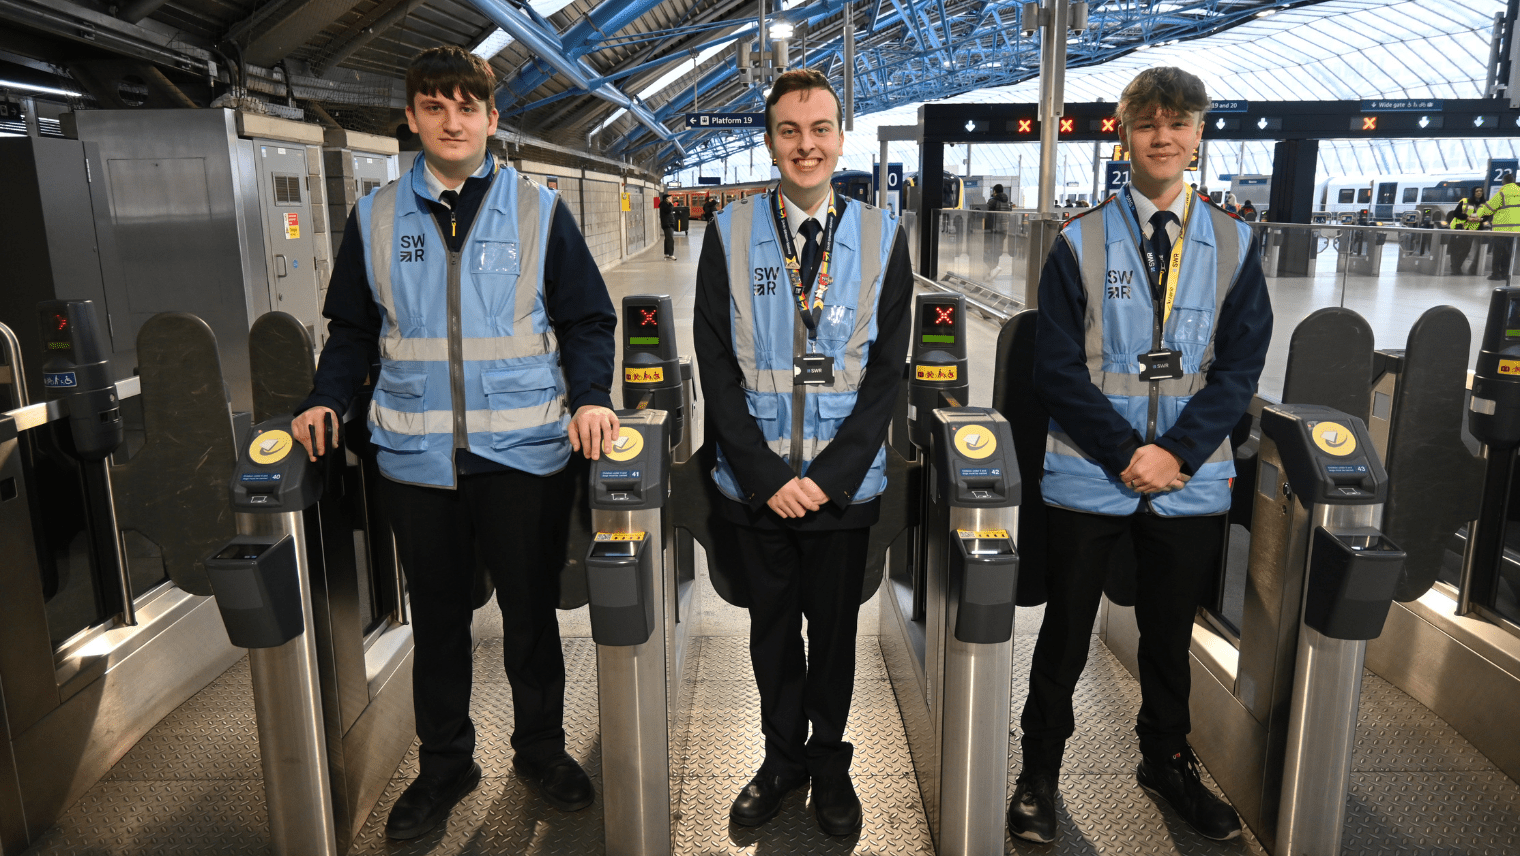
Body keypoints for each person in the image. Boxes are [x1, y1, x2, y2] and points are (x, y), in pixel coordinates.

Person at [289, 45, 619, 840]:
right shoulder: (373, 217)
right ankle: (445, 763)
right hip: (415, 459)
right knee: (436, 619)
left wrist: (593, 397)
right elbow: (353, 332)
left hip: (524, 453)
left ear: (490, 119)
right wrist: (327, 398)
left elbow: (586, 319)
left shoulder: (538, 210)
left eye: (466, 106)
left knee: (531, 612)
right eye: (434, 106)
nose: (452, 120)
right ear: (412, 118)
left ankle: (539, 748)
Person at [1008, 66, 1271, 845]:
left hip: (1186, 482)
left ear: (1197, 136)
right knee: (1064, 633)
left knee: (1167, 636)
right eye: (1149, 122)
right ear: (1126, 133)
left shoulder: (1233, 241)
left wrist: (1176, 455)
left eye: (1179, 123)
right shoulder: (1080, 240)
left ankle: (1166, 759)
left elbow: (1239, 367)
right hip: (1092, 476)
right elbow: (1054, 367)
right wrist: (1130, 453)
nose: (1163, 136)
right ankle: (1039, 771)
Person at [692, 67, 912, 837]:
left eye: (820, 129)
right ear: (770, 141)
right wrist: (764, 478)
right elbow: (714, 365)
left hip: (840, 493)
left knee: (835, 636)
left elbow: (889, 372)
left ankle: (829, 764)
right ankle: (780, 759)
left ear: (841, 138)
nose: (806, 145)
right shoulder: (728, 232)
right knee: (772, 633)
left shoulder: (885, 236)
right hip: (756, 490)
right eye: (790, 131)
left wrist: (828, 478)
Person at [1477, 175, 1520, 281]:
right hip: (1516, 229)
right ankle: (1505, 273)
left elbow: (1490, 207)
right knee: (1509, 252)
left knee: (1498, 252)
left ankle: (1496, 274)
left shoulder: (1503, 191)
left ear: (1503, 181)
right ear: (1513, 181)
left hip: (1502, 229)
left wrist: (1478, 212)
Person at [1448, 186, 1489, 275]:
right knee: (1456, 250)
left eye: (1481, 191)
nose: (1479, 193)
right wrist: (1467, 218)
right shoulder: (1465, 201)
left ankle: (1457, 267)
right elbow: (1456, 213)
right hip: (1459, 228)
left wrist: (1480, 220)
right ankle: (1455, 268)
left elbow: (1487, 216)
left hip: (1471, 230)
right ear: (1473, 192)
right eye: (1477, 191)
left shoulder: (1485, 204)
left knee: (1466, 250)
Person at [984, 182, 1012, 278]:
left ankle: (992, 269)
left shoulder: (992, 201)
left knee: (988, 249)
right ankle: (994, 269)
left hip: (994, 229)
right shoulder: (1007, 203)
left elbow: (986, 214)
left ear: (995, 191)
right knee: (997, 250)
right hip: (1004, 230)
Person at [660, 193, 678, 259]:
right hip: (667, 224)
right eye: (669, 198)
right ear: (666, 199)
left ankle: (666, 253)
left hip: (669, 223)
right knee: (670, 239)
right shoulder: (664, 205)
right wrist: (671, 204)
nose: (671, 199)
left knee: (667, 239)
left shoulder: (666, 205)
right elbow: (668, 211)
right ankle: (671, 254)